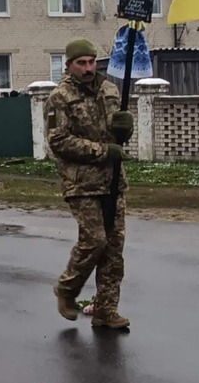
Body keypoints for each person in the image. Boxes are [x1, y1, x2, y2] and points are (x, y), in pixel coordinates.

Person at [45, 39, 134, 330]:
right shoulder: (60, 97)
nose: (87, 68)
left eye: (91, 61)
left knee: (113, 249)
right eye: (81, 63)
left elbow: (116, 135)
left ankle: (106, 310)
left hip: (112, 181)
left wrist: (124, 130)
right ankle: (67, 289)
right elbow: (59, 141)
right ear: (69, 65)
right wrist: (102, 151)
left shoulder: (109, 90)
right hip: (82, 183)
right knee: (94, 240)